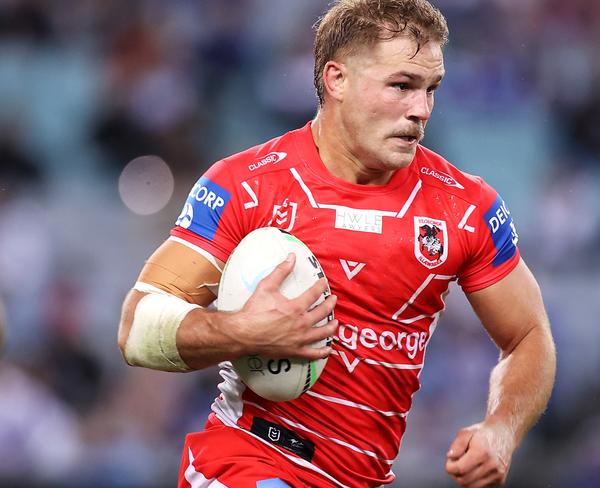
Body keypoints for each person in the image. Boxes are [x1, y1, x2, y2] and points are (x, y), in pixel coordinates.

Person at [118, 1, 556, 486]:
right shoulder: (246, 185)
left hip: (361, 476)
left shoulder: (464, 206)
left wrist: (502, 429)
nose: (422, 109)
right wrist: (243, 331)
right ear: (336, 79)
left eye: (431, 89)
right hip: (248, 458)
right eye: (402, 85)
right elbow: (138, 328)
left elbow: (529, 336)